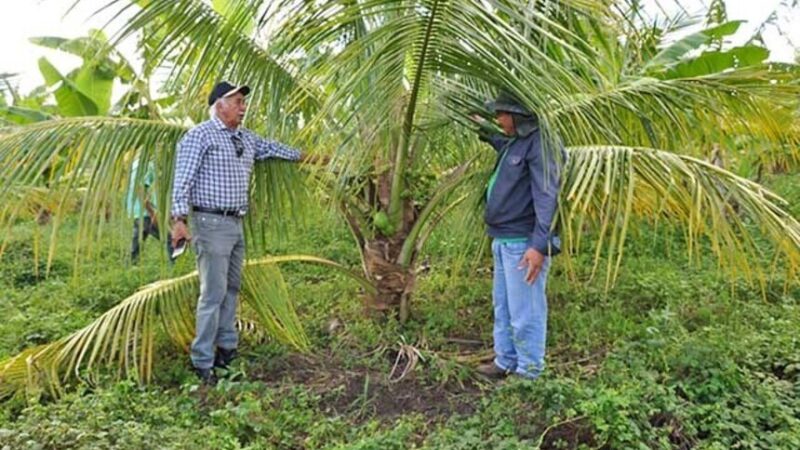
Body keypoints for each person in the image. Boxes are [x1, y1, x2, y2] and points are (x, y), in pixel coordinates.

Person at [170, 81, 320, 383]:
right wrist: (178, 219)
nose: (243, 106)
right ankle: (203, 361)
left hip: (235, 223)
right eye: (237, 101)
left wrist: (309, 157)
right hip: (210, 224)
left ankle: (227, 350)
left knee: (231, 289)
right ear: (219, 105)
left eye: (243, 101)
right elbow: (182, 180)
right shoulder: (200, 136)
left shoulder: (245, 138)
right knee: (212, 293)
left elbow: (275, 149)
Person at [472, 91, 563, 380]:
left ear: (518, 115)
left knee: (526, 310)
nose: (498, 119)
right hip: (503, 239)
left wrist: (538, 245)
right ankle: (505, 360)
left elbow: (547, 198)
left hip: (523, 243)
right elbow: (499, 141)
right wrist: (480, 127)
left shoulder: (541, 146)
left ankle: (529, 371)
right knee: (504, 306)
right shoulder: (516, 143)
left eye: (502, 114)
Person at [126, 158, 173, 264]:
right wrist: (152, 212)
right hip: (146, 212)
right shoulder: (148, 164)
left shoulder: (136, 163)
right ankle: (177, 268)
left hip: (137, 211)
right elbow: (139, 188)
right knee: (170, 239)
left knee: (136, 244)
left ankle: (128, 267)